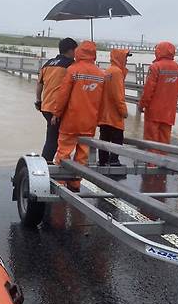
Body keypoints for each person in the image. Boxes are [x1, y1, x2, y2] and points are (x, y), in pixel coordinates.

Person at [50, 40, 106, 192]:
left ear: (79, 52)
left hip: (70, 121)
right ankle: (75, 184)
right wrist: (99, 119)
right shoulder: (101, 74)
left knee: (63, 152)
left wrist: (56, 113)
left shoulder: (73, 70)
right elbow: (103, 101)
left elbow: (63, 95)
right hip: (89, 122)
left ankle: (60, 183)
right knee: (82, 156)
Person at [34, 38, 77, 163]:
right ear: (70, 50)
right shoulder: (71, 65)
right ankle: (47, 165)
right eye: (76, 50)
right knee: (56, 140)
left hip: (46, 107)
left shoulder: (48, 63)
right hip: (59, 109)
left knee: (52, 138)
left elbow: (39, 84)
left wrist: (38, 101)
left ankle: (47, 164)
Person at [138, 42, 178, 150]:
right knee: (164, 142)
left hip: (154, 111)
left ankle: (151, 164)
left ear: (159, 51)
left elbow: (148, 90)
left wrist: (142, 105)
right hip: (169, 112)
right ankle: (161, 163)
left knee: (151, 141)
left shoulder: (155, 67)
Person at [98, 49, 131, 166]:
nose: (126, 60)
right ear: (120, 58)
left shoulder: (108, 71)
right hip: (114, 115)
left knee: (104, 139)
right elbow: (118, 95)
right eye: (126, 58)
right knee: (117, 140)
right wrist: (124, 111)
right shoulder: (117, 72)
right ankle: (113, 161)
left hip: (105, 114)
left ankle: (103, 161)